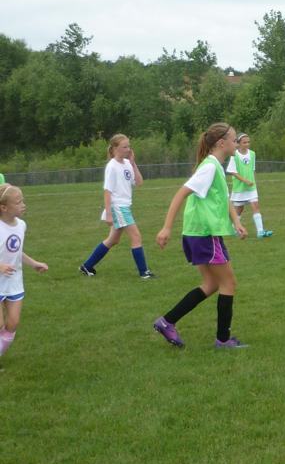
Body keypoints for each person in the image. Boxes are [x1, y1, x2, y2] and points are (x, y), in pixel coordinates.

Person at [153, 123, 248, 349]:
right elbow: (181, 194)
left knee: (211, 283)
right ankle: (223, 340)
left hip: (199, 234)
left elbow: (223, 198)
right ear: (221, 143)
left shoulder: (215, 166)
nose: (236, 144)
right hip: (204, 235)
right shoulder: (210, 167)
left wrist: (236, 221)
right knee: (228, 283)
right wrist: (166, 227)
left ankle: (167, 321)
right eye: (234, 140)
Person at [79, 134, 155, 279]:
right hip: (119, 207)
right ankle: (144, 273)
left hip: (124, 206)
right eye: (124, 147)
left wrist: (133, 163)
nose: (128, 149)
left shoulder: (127, 163)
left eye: (129, 146)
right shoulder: (112, 166)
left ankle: (87, 266)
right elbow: (107, 191)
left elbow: (139, 182)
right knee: (136, 237)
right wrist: (108, 213)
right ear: (115, 148)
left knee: (113, 240)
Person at [0, 184, 48, 358]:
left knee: (12, 324)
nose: (23, 205)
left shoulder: (21, 225)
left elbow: (16, 251)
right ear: (4, 207)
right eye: (18, 202)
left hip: (14, 281)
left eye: (23, 201)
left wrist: (33, 263)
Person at [226, 133, 272, 238]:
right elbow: (233, 172)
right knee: (239, 209)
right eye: (244, 142)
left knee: (255, 205)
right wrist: (245, 181)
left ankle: (260, 231)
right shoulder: (234, 155)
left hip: (251, 187)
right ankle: (234, 229)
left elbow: (253, 169)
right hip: (240, 188)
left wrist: (254, 182)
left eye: (248, 142)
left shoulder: (252, 154)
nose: (247, 144)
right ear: (238, 144)